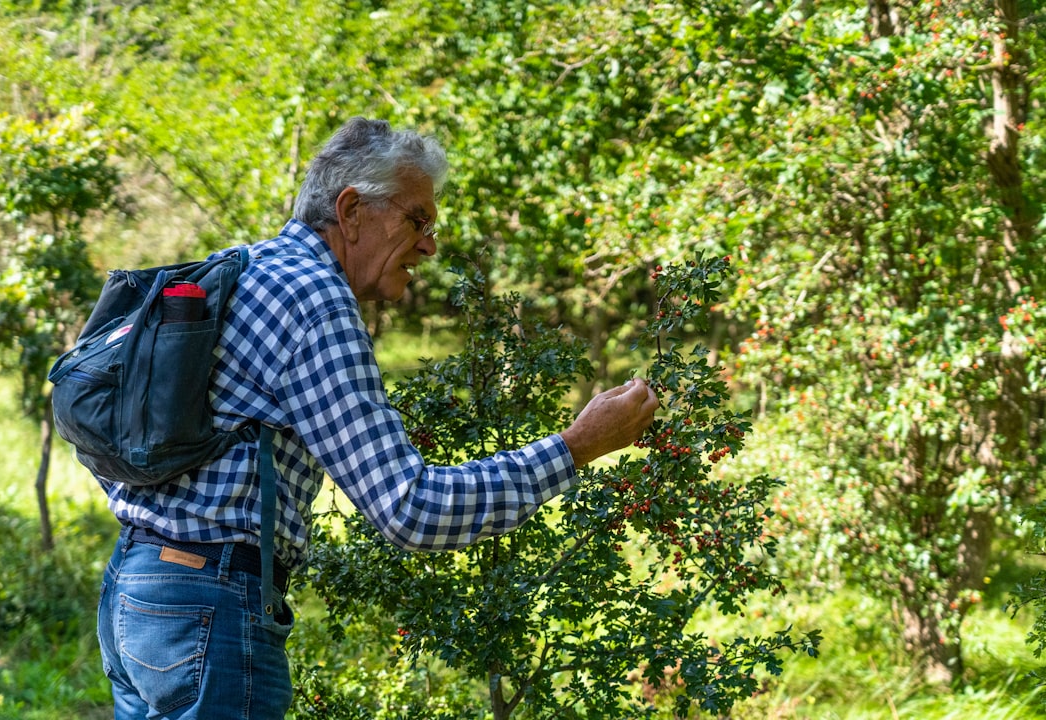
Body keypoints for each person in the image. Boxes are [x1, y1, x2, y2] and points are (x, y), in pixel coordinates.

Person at [95, 117, 659, 720]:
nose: (429, 245)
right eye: (418, 220)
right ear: (352, 210)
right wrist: (574, 447)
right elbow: (410, 509)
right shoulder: (315, 301)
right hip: (209, 607)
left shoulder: (245, 267)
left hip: (136, 591)